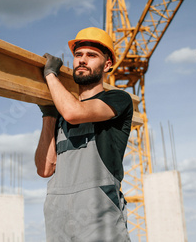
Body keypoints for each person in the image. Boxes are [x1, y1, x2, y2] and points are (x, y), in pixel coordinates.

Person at [35, 27, 133, 242]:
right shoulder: (63, 115)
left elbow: (74, 112)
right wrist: (49, 115)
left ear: (107, 64)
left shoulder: (117, 100)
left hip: (99, 214)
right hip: (58, 217)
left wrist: (50, 75)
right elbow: (44, 169)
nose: (82, 60)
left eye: (91, 55)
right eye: (78, 55)